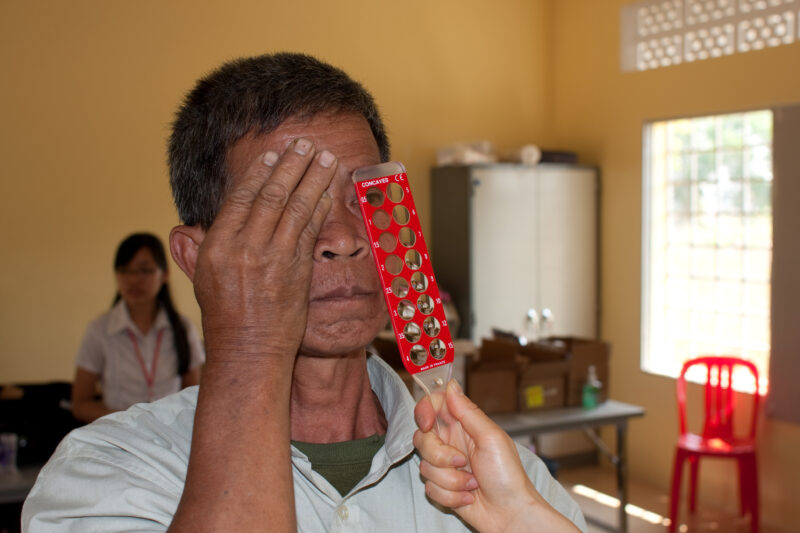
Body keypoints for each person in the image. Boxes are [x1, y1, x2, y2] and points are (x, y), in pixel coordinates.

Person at [22, 53, 586, 532]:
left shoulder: (503, 481)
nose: (343, 239)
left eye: (363, 200)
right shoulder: (109, 472)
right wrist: (250, 343)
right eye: (290, 208)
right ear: (197, 259)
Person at [70, 233, 205, 423]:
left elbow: (192, 398)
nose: (134, 279)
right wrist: (128, 422)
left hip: (168, 434)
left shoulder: (183, 328)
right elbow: (80, 404)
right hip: (118, 434)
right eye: (125, 271)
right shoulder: (99, 329)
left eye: (145, 270)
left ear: (165, 274)